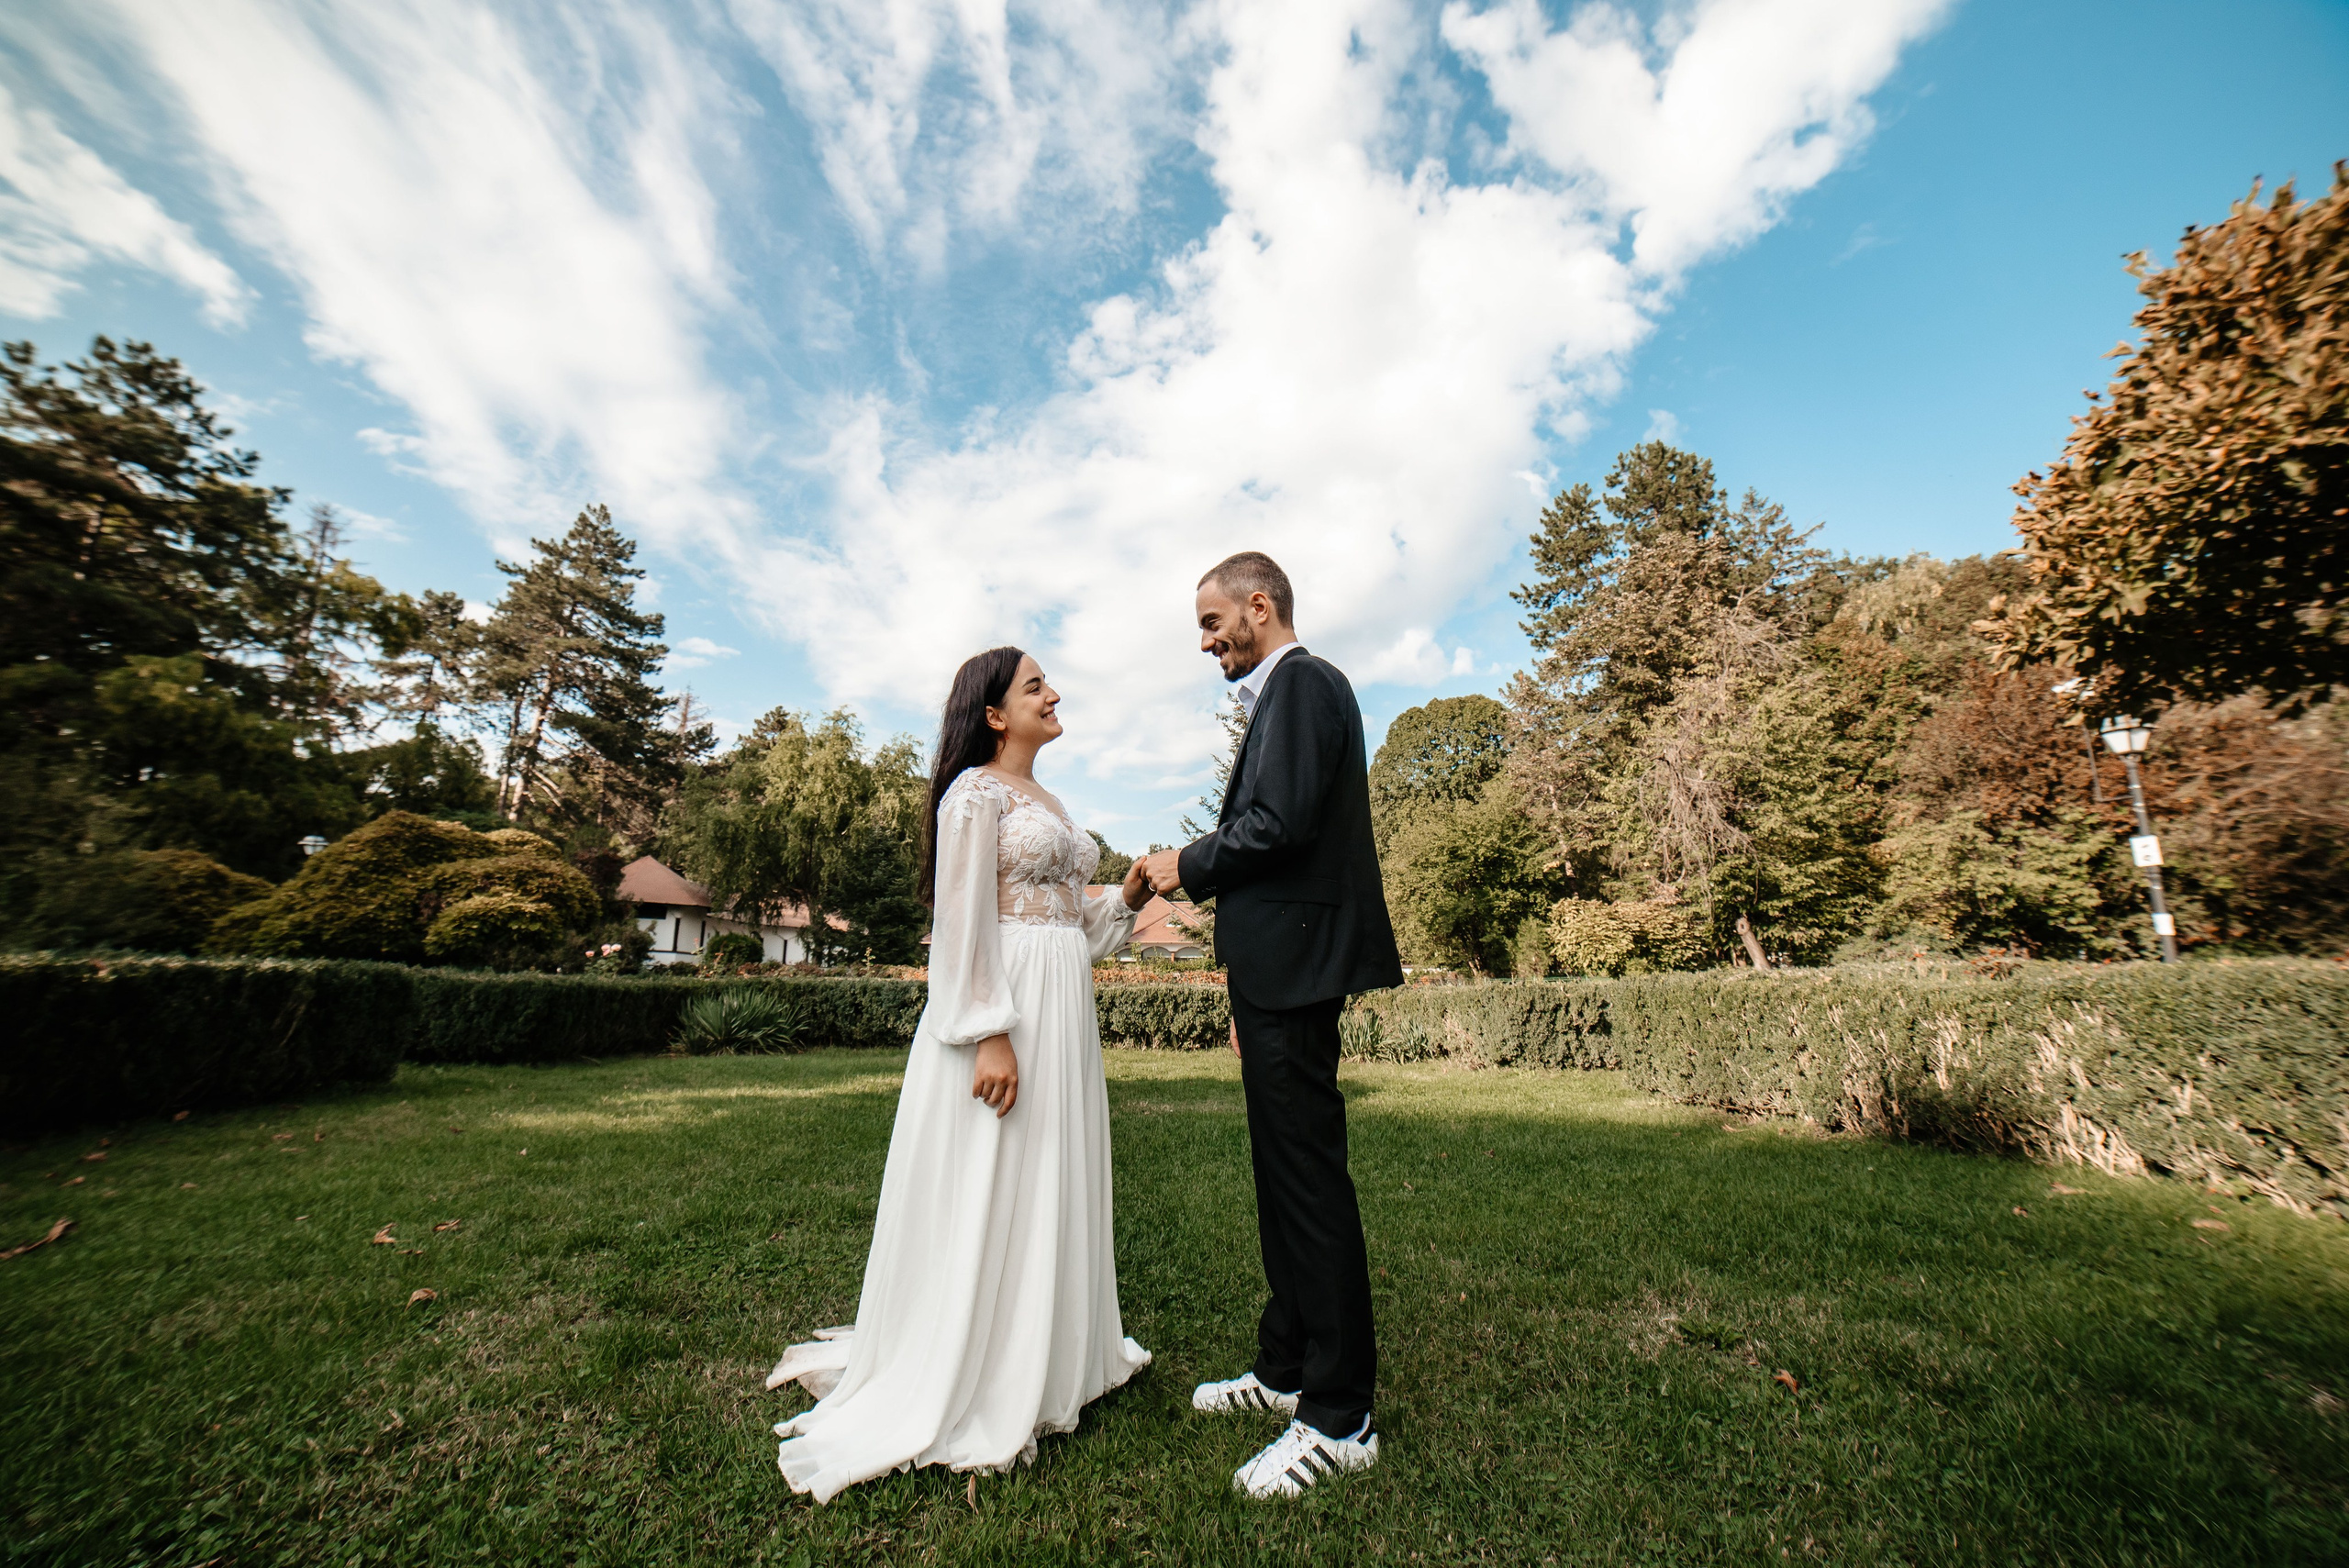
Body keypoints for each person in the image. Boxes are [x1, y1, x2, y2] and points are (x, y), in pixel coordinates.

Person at [766, 647, 1155, 1503]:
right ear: (992, 713)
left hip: (1064, 1007)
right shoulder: (973, 794)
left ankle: (1052, 1350)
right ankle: (971, 1366)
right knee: (993, 1172)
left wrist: (1123, 895)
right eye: (1034, 686)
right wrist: (988, 1030)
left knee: (1050, 1170)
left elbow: (1073, 928)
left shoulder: (1047, 801)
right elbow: (962, 918)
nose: (1054, 694)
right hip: (1007, 1006)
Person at [1136, 551, 1404, 1499]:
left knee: (1308, 1181)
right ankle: (1283, 1362)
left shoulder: (1304, 685)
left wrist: (1187, 862)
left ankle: (1339, 1413)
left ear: (1260, 605)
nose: (1207, 641)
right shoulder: (1282, 694)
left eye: (1213, 621)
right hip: (1274, 974)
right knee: (1279, 1176)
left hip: (1296, 971)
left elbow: (1279, 823)